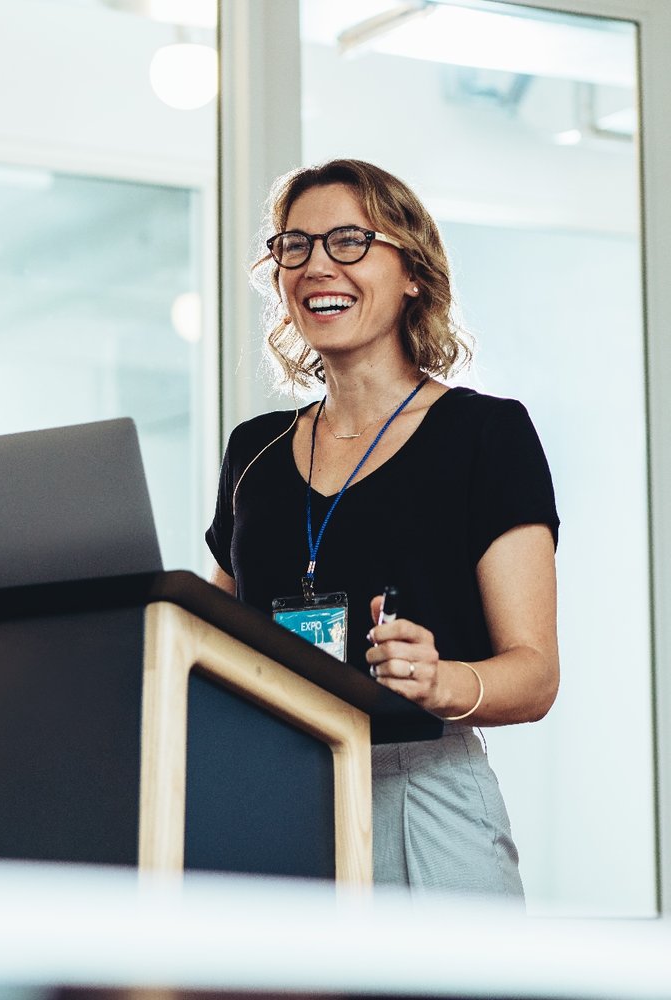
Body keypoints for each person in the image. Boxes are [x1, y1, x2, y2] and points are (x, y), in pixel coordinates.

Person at [205, 159, 559, 898]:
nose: (314, 266)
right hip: (275, 797)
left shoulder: (485, 433)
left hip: (421, 792)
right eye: (292, 246)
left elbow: (534, 675)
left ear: (413, 273)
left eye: (347, 241)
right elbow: (216, 644)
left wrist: (439, 679)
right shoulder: (254, 451)